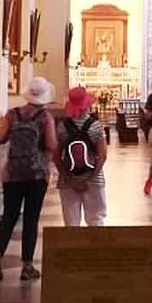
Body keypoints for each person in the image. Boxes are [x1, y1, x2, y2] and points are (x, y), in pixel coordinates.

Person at [0, 77, 56, 282]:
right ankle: (27, 266)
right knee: (31, 219)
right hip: (36, 174)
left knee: (8, 216)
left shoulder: (12, 114)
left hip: (13, 173)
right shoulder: (45, 117)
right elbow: (52, 144)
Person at [55, 86, 108, 227]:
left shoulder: (62, 127)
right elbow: (103, 155)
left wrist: (69, 179)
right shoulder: (96, 126)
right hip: (94, 180)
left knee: (71, 222)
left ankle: (73, 249)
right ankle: (96, 247)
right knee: (96, 219)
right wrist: (90, 178)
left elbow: (56, 156)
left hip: (68, 180)